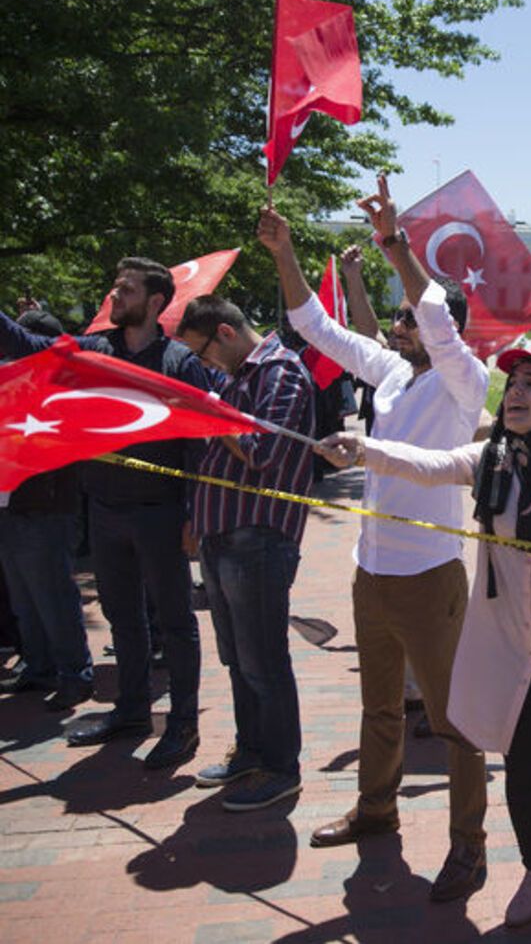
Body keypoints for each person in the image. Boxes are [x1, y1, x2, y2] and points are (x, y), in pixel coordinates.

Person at [316, 338, 531, 927]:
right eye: (513, 383)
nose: (515, 394)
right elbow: (430, 465)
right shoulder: (492, 459)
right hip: (508, 648)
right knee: (522, 764)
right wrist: (366, 450)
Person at [260, 182, 493, 900]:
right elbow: (316, 327)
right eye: (397, 318)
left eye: (408, 319)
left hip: (431, 577)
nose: (397, 326)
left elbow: (435, 315)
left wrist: (396, 245)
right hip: (373, 572)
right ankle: (375, 808)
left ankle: (469, 845)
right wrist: (284, 252)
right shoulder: (392, 374)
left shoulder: (465, 381)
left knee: (454, 723)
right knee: (380, 707)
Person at [1, 260, 207, 768]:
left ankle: (182, 724)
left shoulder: (179, 362)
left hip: (161, 513)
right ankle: (132, 711)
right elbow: (29, 347)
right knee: (122, 618)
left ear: (154, 302)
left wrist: (194, 516)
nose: (114, 296)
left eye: (126, 289)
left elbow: (199, 444)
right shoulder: (95, 351)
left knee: (175, 623)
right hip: (105, 510)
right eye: (115, 286)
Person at [176, 294, 316, 811]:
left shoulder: (280, 370)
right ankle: (253, 750)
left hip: (257, 537)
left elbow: (262, 450)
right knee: (238, 658)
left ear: (226, 333)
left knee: (263, 660)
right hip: (223, 534)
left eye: (204, 353)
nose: (205, 365)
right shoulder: (238, 377)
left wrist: (213, 411)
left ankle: (281, 767)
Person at [0, 310, 94, 710]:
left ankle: (74, 673)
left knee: (52, 596)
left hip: (45, 509)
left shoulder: (59, 389)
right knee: (24, 598)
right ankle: (39, 666)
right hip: (12, 508)